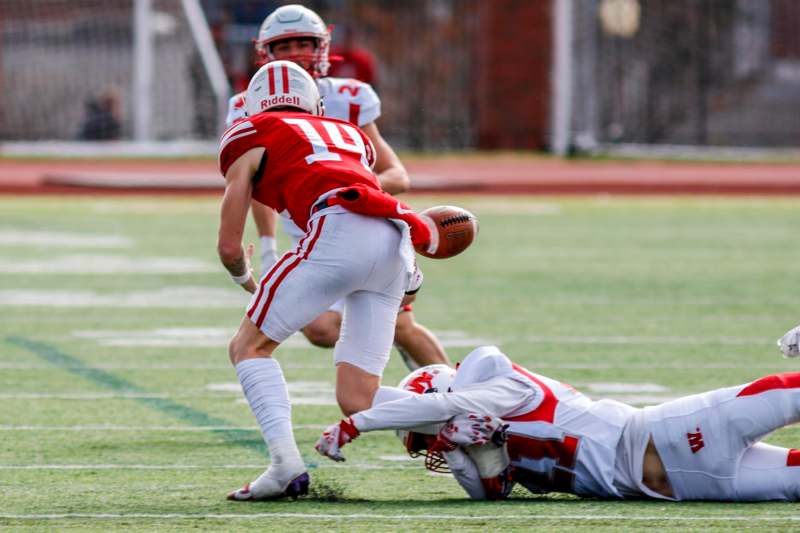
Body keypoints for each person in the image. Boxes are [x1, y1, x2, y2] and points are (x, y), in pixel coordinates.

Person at [217, 60, 434, 501]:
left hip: (337, 231)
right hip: (393, 236)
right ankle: (470, 423)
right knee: (359, 398)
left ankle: (284, 466)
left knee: (248, 347)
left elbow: (228, 246)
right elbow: (376, 181)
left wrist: (244, 274)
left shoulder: (251, 131)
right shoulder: (348, 133)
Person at [316, 326, 800, 501]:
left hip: (673, 433)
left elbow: (447, 403)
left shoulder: (503, 384)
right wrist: (470, 449)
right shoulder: (475, 427)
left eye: (423, 438)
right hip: (688, 486)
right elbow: (491, 492)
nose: (429, 446)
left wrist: (355, 422)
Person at [226, 4, 449, 371]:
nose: (296, 53)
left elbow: (397, 175)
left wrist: (343, 189)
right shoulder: (247, 105)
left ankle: (453, 397)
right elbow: (255, 185)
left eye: (305, 43)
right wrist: (267, 248)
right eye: (285, 46)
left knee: (400, 325)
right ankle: (407, 396)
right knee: (321, 328)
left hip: (358, 221)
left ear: (324, 47)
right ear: (265, 53)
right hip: (310, 234)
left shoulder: (348, 96)